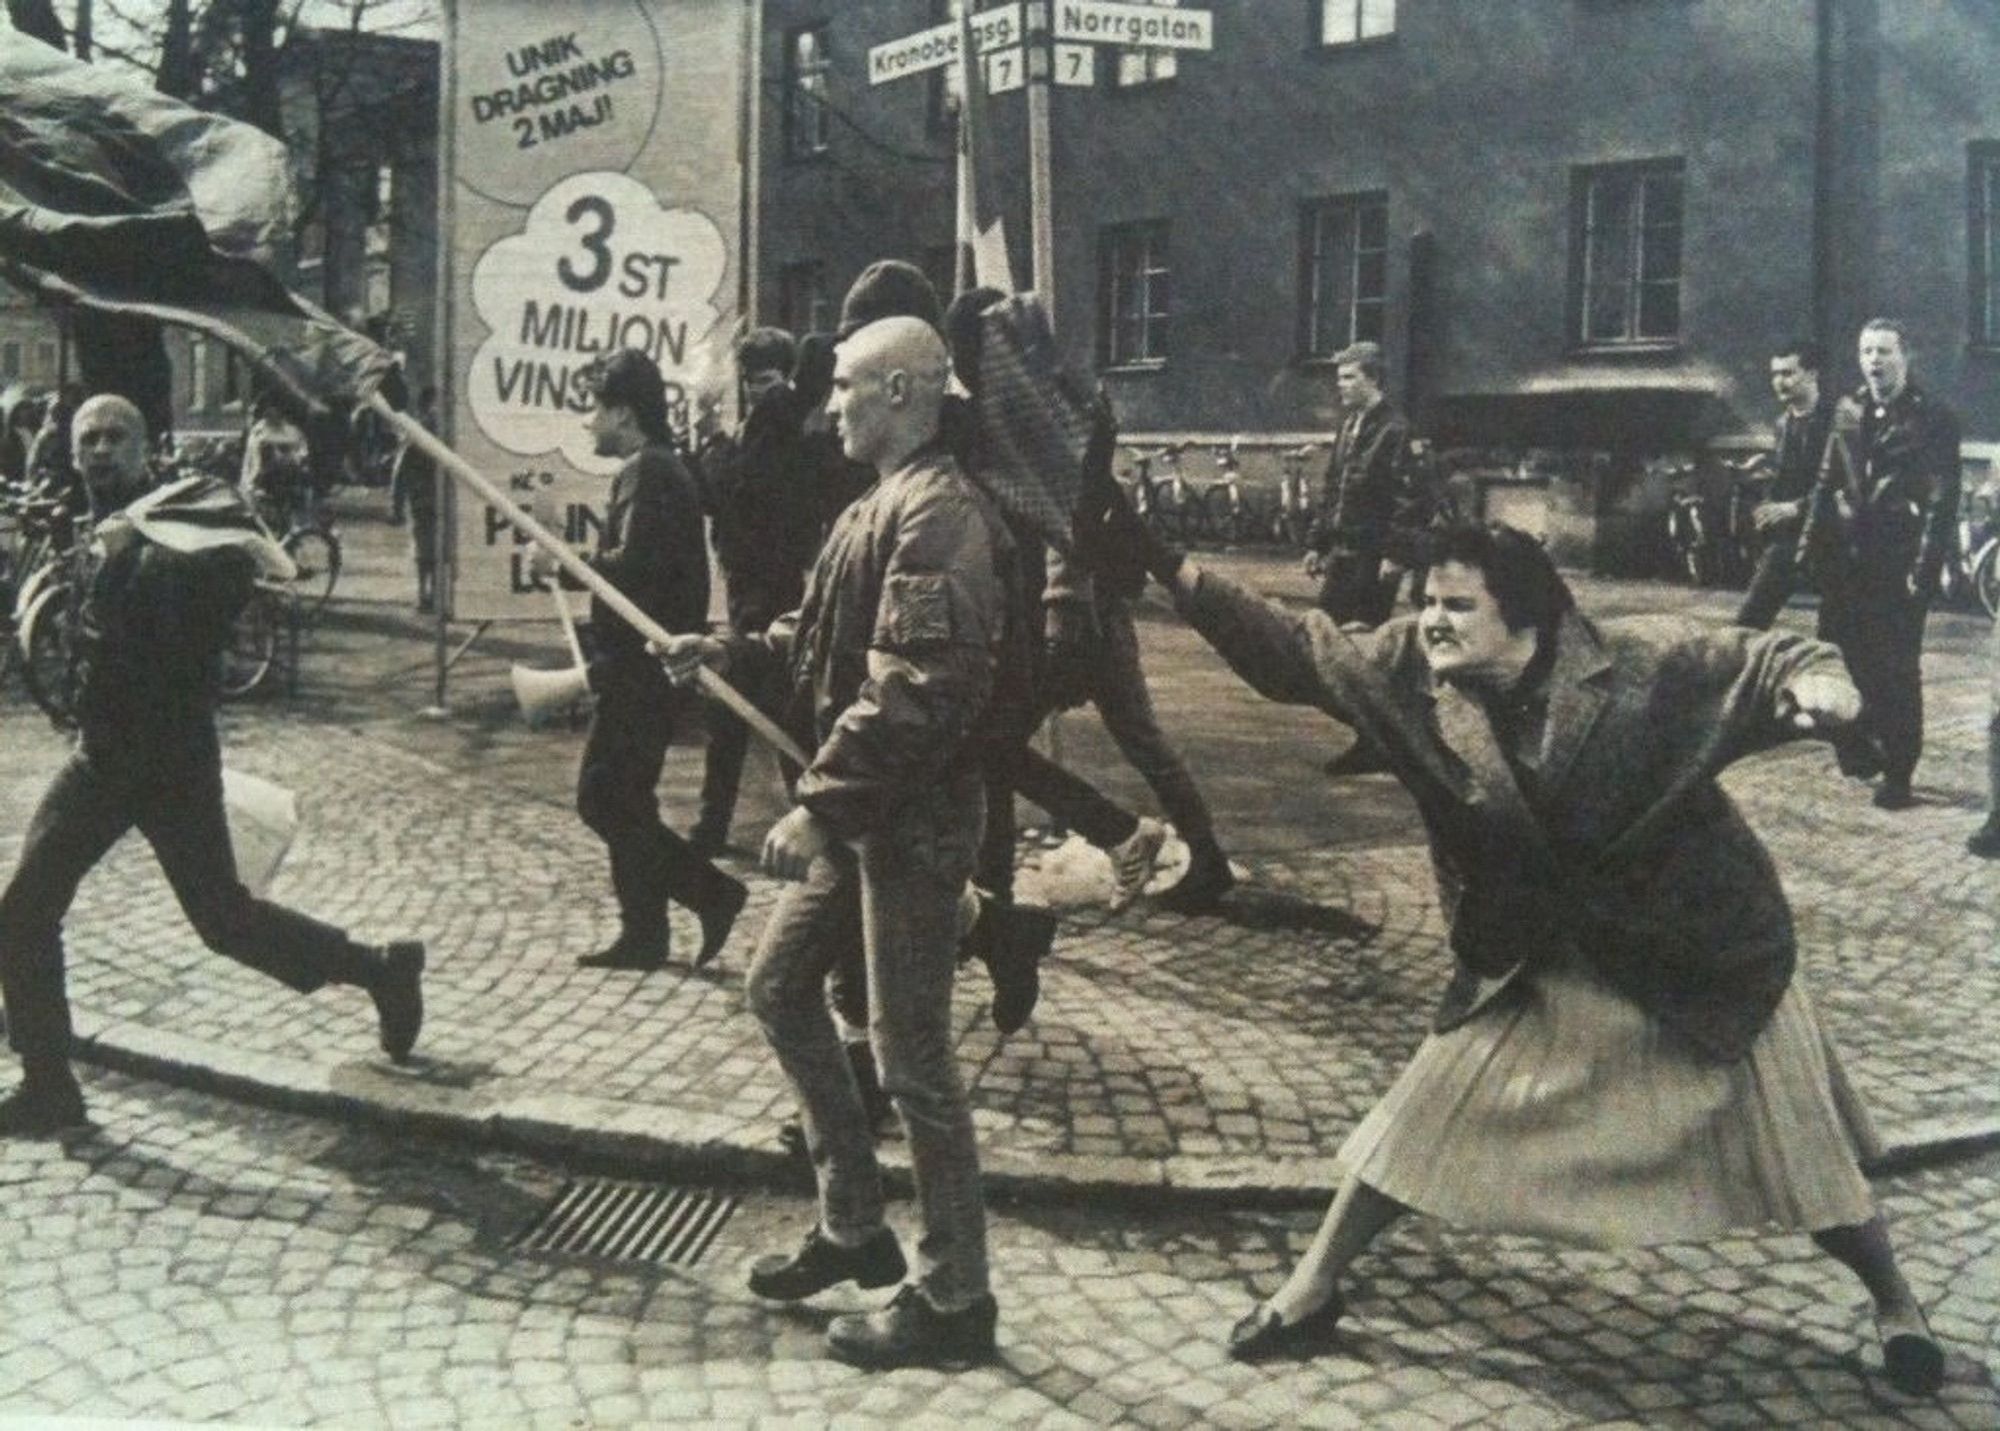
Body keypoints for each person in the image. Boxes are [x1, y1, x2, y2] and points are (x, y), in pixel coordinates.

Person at [1118, 510, 1946, 1397]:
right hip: (1534, 951)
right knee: (1424, 1112)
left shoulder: (1640, 665)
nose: (1432, 619)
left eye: (1457, 605)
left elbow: (1775, 658)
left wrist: (1830, 692)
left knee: (1799, 1154)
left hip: (1700, 950)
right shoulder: (1411, 670)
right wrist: (1171, 566)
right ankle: (1313, 1287)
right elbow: (1294, 649)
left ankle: (1898, 1305)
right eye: (1428, 600)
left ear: (1524, 618)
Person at [662, 315, 1018, 1369]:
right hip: (867, 812)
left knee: (914, 1061)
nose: (828, 405)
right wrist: (723, 648)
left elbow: (919, 686)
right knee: (777, 990)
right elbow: (809, 638)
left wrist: (819, 803)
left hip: (906, 820)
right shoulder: (875, 507)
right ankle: (853, 1228)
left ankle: (956, 1298)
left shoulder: (942, 517)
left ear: (904, 392)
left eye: (847, 386)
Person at [0, 395, 426, 1136]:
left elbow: (236, 583)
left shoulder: (183, 512)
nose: (101, 450)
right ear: (72, 453)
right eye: (89, 439)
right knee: (24, 910)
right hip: (102, 756)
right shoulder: (88, 522)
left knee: (224, 921)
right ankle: (49, 1085)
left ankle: (381, 969)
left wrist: (151, 557)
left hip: (169, 758)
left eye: (116, 437)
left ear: (145, 448)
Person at [532, 348, 746, 971]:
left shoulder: (649, 473)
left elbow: (638, 574)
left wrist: (566, 566)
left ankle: (712, 895)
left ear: (623, 414)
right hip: (647, 667)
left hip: (643, 670)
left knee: (603, 799)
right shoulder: (656, 468)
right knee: (626, 799)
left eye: (593, 411)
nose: (588, 425)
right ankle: (646, 933)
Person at [1797, 319, 1962, 810]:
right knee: (1836, 659)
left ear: (1904, 357)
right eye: (1866, 351)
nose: (1874, 361)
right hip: (1847, 562)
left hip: (1899, 563)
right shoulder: (1847, 409)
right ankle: (1854, 744)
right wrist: (1808, 542)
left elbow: (1941, 500)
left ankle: (1899, 772)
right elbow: (1827, 479)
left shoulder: (1932, 417)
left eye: (1884, 351)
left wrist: (1924, 570)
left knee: (1895, 672)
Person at [690, 326, 822, 858]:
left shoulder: (780, 427)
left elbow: (733, 488)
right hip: (752, 588)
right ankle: (798, 813)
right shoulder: (762, 426)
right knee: (759, 711)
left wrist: (711, 438)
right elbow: (716, 495)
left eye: (764, 380)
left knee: (762, 711)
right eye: (749, 382)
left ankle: (725, 825)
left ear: (784, 376)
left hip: (771, 590)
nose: (755, 391)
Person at [1735, 340, 1838, 629]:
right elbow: (1784, 479)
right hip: (1790, 539)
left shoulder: (1838, 422)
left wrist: (1796, 508)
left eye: (1788, 373)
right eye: (1775, 374)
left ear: (1813, 374)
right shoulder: (1783, 424)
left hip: (1835, 538)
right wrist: (1767, 507)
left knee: (1837, 632)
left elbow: (1844, 486)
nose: (1779, 382)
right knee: (1748, 621)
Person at [388, 384, 442, 614]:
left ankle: (434, 594)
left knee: (439, 549)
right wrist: (396, 504)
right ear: (424, 407)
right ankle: (424, 594)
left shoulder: (447, 432)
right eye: (434, 405)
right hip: (423, 498)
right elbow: (400, 470)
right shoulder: (417, 433)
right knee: (424, 549)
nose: (437, 411)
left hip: (442, 499)